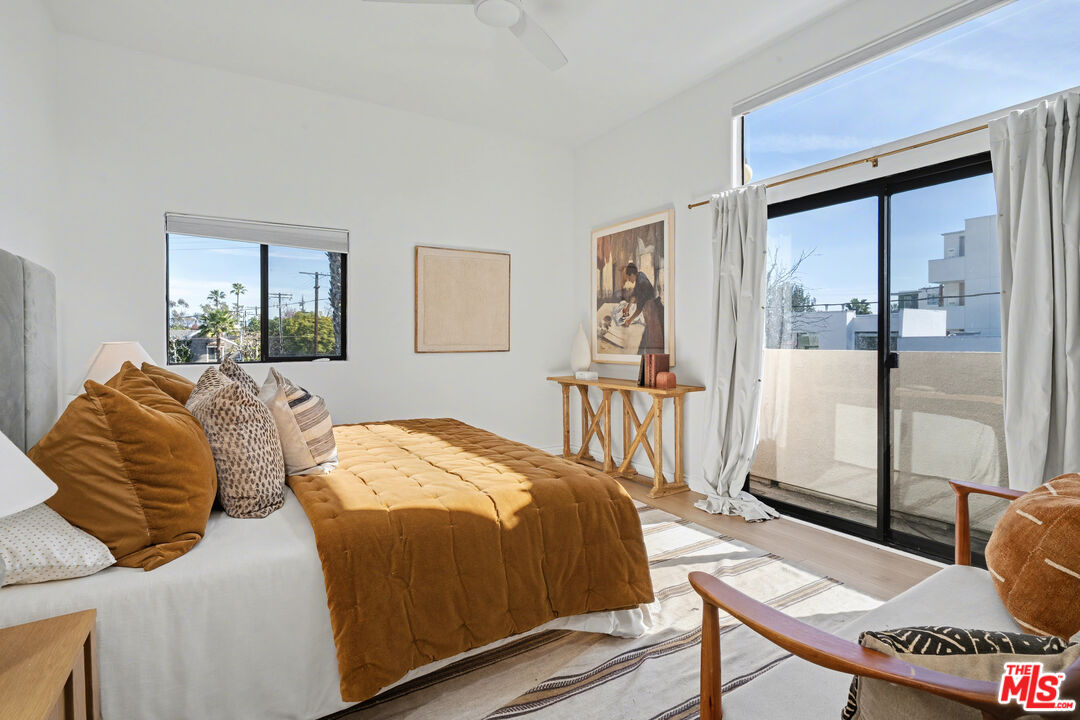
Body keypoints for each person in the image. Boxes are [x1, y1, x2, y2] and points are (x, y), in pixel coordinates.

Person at [620, 262, 665, 355]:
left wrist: (629, 320)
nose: (629, 280)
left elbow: (639, 308)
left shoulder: (642, 283)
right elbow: (634, 295)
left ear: (632, 274)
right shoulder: (640, 275)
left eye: (629, 277)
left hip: (651, 309)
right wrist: (628, 308)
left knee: (651, 337)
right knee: (647, 334)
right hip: (649, 306)